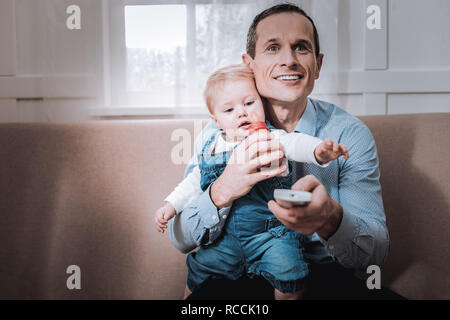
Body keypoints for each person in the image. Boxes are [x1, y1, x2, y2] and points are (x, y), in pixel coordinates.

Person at [169, 3, 390, 299]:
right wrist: (223, 189)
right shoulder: (219, 133)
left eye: (301, 47)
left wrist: (330, 219)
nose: (289, 60)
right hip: (235, 275)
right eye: (273, 48)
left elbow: (374, 255)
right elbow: (180, 237)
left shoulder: (348, 134)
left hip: (321, 278)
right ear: (250, 65)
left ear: (318, 65)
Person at [155, 64, 349, 300]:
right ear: (215, 120)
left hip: (270, 235)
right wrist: (170, 205)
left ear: (262, 105)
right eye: (229, 109)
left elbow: (296, 144)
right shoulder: (210, 146)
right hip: (223, 239)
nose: (242, 113)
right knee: (200, 270)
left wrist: (318, 151)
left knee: (290, 272)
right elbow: (193, 183)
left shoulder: (269, 136)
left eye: (249, 103)